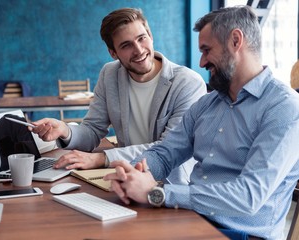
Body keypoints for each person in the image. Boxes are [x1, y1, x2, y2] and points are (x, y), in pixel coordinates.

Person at [104, 6, 299, 240]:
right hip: (191, 219)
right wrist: (132, 173)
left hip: (240, 234)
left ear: (236, 41)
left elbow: (248, 197)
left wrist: (158, 193)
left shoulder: (285, 108)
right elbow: (165, 153)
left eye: (207, 50)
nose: (202, 61)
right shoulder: (207, 104)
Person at [31, 8, 206, 184]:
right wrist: (65, 130)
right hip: (126, 180)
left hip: (170, 185)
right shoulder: (110, 74)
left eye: (141, 38)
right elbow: (92, 130)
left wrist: (102, 159)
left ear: (150, 36)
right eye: (126, 45)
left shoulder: (187, 83)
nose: (138, 50)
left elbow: (167, 149)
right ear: (113, 52)